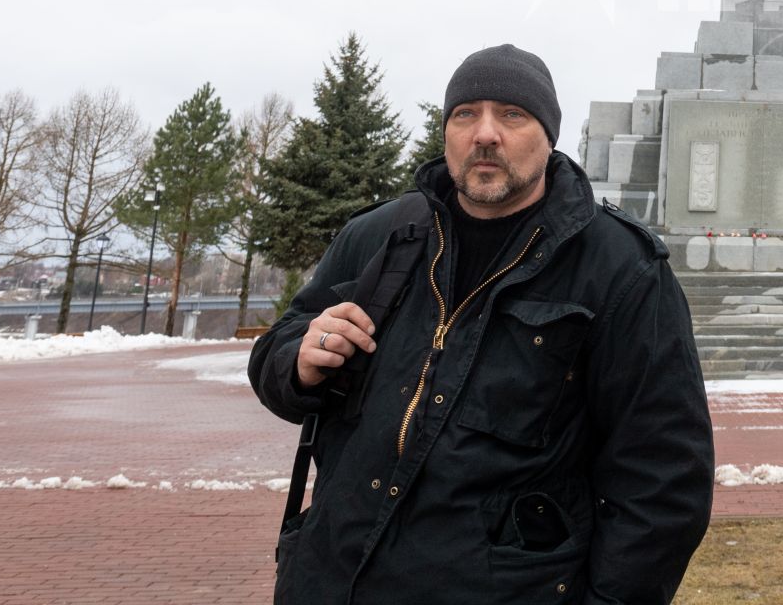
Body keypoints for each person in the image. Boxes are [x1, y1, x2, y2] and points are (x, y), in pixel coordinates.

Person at [250, 44, 713, 605]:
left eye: (512, 115)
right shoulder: (379, 236)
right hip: (331, 579)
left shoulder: (620, 268)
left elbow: (663, 478)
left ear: (548, 135)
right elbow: (280, 350)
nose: (485, 133)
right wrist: (298, 361)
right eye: (466, 114)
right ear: (447, 132)